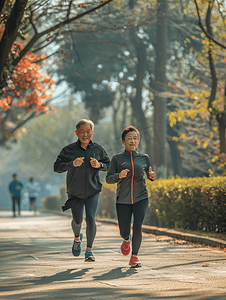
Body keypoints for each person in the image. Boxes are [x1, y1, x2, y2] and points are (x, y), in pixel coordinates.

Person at [54, 119, 110, 262]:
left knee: (91, 218)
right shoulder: (68, 150)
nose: (85, 135)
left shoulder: (98, 149)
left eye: (88, 132)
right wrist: (71, 164)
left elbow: (109, 165)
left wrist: (100, 165)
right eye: (82, 132)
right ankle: (77, 238)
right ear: (77, 133)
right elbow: (57, 167)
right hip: (75, 191)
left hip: (93, 189)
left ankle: (89, 250)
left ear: (92, 132)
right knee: (77, 220)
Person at [106, 126, 157, 268]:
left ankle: (134, 256)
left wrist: (152, 177)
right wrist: (118, 176)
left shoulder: (144, 158)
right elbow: (108, 179)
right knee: (124, 230)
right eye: (129, 138)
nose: (133, 141)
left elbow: (148, 173)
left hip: (141, 197)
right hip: (123, 199)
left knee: (138, 226)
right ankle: (126, 240)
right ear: (123, 142)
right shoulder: (117, 159)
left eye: (135, 138)